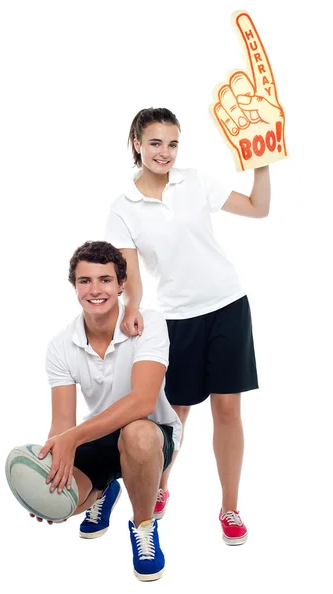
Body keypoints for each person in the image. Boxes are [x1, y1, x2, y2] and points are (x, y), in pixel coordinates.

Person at [104, 107, 271, 545]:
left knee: (228, 410)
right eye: (155, 143)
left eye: (173, 143)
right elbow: (132, 277)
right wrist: (131, 306)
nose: (165, 152)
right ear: (137, 143)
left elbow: (259, 208)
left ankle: (230, 508)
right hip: (178, 318)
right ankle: (159, 486)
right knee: (175, 414)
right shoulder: (123, 208)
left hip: (228, 305)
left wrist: (262, 162)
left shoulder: (195, 181)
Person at [32, 240, 182, 582]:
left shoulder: (149, 324)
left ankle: (143, 526)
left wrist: (73, 438)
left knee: (137, 433)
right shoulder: (60, 345)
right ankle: (105, 489)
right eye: (85, 281)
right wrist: (43, 485)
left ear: (121, 285)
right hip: (98, 434)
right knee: (63, 503)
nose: (95, 289)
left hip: (153, 432)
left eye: (105, 280)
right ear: (74, 286)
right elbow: (63, 424)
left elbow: (144, 402)